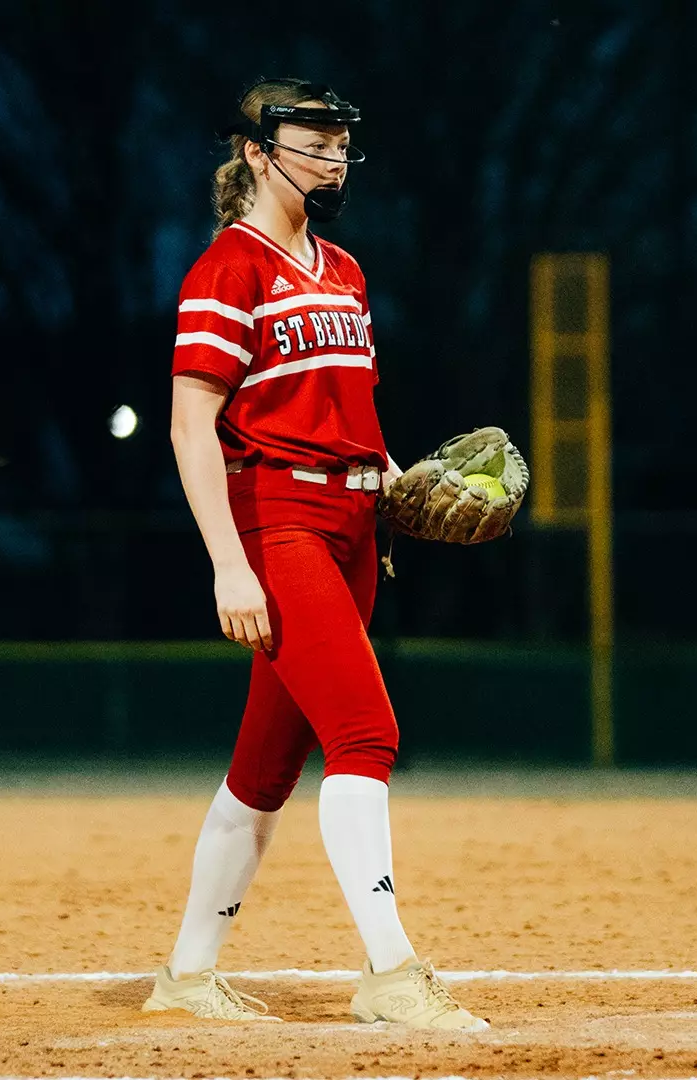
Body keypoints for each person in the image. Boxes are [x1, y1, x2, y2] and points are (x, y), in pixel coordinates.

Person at [141, 77, 487, 1032]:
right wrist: (228, 563)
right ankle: (390, 971)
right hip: (277, 526)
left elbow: (344, 416)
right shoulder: (229, 269)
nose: (333, 161)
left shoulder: (344, 269)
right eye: (312, 143)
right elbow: (188, 426)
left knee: (262, 769)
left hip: (351, 531)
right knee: (367, 737)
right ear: (256, 152)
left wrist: (397, 478)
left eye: (341, 146)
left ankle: (187, 974)